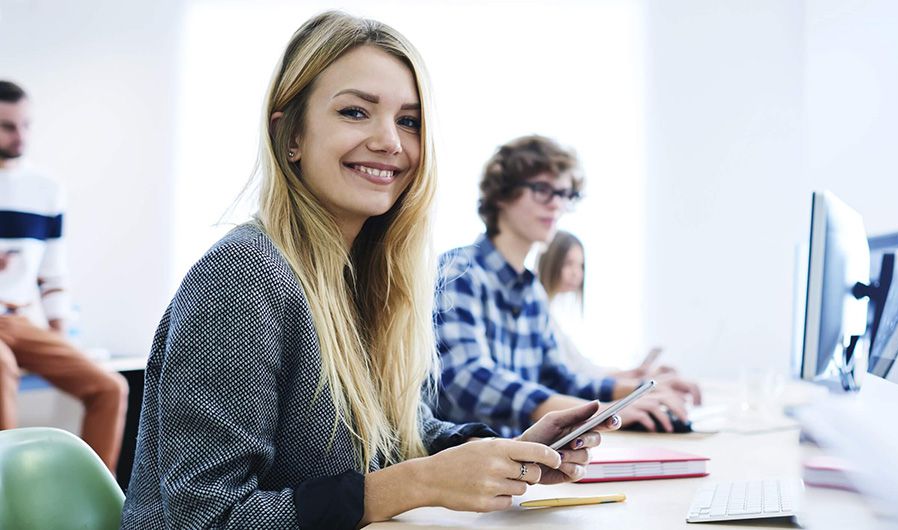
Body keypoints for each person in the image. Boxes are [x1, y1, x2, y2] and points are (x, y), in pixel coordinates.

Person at [121, 12, 618, 529]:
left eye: (408, 121)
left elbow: (399, 437)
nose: (391, 142)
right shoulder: (246, 275)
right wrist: (420, 482)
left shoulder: (362, 276)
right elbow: (203, 517)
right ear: (289, 135)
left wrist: (505, 454)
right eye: (356, 112)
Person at [435, 135, 694, 436]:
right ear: (501, 195)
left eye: (564, 194)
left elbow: (559, 379)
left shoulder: (531, 291)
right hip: (469, 462)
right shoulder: (459, 271)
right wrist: (599, 412)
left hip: (527, 458)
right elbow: (466, 378)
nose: (556, 204)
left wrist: (637, 391)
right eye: (543, 190)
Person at [0, 80, 128, 473]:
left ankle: (88, 497)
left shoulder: (46, 189)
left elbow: (52, 272)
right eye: (7, 126)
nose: (20, 136)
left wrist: (58, 335)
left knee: (110, 387)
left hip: (20, 321)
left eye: (26, 125)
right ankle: (9, 500)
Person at [536, 229, 701, 398]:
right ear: (551, 262)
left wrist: (633, 375)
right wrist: (637, 383)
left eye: (580, 265)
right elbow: (575, 377)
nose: (576, 272)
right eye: (568, 263)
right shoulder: (540, 316)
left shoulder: (551, 317)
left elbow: (584, 370)